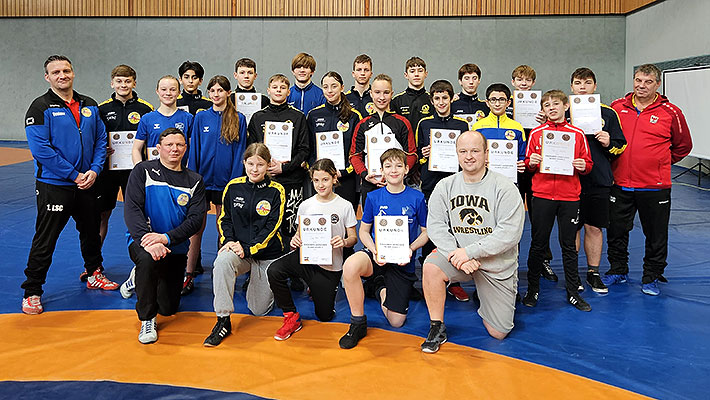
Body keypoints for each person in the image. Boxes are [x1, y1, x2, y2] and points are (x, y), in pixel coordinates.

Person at [22, 55, 117, 315]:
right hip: (55, 185)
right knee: (46, 238)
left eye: (66, 70)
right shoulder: (39, 108)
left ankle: (94, 272)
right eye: (56, 72)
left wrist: (95, 170)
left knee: (91, 231)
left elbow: (100, 139)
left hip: (88, 182)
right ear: (47, 77)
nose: (62, 75)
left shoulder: (89, 104)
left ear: (73, 73)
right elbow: (42, 150)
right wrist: (74, 175)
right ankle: (32, 290)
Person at [421, 130, 525, 353]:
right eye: (463, 151)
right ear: (457, 154)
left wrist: (470, 252)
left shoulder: (505, 188)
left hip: (494, 264)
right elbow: (436, 226)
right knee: (430, 267)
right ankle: (436, 326)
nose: (469, 156)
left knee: (499, 332)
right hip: (459, 257)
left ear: (487, 154)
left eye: (475, 151)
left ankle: (486, 294)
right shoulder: (445, 186)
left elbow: (509, 233)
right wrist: (457, 255)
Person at [604, 63, 692, 296]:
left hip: (655, 186)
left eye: (648, 82)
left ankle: (651, 276)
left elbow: (683, 146)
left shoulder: (671, 112)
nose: (641, 86)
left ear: (657, 84)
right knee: (616, 231)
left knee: (656, 233)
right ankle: (618, 269)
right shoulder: (616, 107)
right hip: (620, 182)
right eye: (638, 80)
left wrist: (659, 163)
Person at [339, 149, 428, 349]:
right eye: (388, 166)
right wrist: (374, 249)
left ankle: (380, 287)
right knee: (351, 265)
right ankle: (357, 323)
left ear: (406, 169)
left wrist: (410, 249)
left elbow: (426, 232)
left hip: (402, 260)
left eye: (398, 166)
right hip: (377, 255)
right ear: (381, 171)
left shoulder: (417, 197)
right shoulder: (373, 197)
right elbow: (363, 232)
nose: (393, 170)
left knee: (396, 321)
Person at [123, 128, 206, 343]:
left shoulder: (194, 180)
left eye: (179, 145)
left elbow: (195, 221)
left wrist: (165, 238)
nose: (174, 149)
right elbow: (132, 210)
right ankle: (147, 318)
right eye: (169, 145)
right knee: (148, 260)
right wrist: (148, 240)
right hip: (144, 242)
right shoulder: (143, 171)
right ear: (158, 148)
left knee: (169, 308)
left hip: (174, 247)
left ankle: (137, 278)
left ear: (185, 148)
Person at [203, 143, 285, 347]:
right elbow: (224, 219)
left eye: (260, 164)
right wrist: (229, 241)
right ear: (244, 163)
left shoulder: (277, 190)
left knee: (259, 310)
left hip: (266, 254)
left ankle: (270, 280)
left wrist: (249, 248)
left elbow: (272, 227)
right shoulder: (233, 187)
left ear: (268, 165)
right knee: (222, 262)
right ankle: (223, 320)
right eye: (250, 164)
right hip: (240, 252)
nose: (255, 169)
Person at [267, 159, 358, 340]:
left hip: (330, 267)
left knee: (324, 316)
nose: (320, 185)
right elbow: (299, 234)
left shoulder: (345, 205)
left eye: (325, 180)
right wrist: (295, 240)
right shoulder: (306, 205)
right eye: (316, 180)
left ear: (334, 178)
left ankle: (319, 290)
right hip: (306, 260)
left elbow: (353, 238)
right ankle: (291, 316)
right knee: (274, 270)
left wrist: (344, 242)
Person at [522, 90, 594, 312]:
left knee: (568, 246)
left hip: (569, 197)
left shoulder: (577, 133)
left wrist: (584, 166)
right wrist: (531, 162)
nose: (551, 108)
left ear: (565, 106)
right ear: (542, 110)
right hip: (542, 196)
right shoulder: (536, 133)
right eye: (546, 105)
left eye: (555, 104)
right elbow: (527, 163)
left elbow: (588, 163)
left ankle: (573, 292)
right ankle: (533, 289)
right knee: (538, 245)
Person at [183, 75, 248, 295]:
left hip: (226, 184)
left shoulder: (239, 118)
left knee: (224, 228)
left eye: (221, 90)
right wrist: (194, 179)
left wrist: (234, 182)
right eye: (213, 91)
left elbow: (240, 151)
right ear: (208, 93)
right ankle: (189, 273)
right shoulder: (200, 118)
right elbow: (195, 151)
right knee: (196, 227)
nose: (216, 94)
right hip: (202, 182)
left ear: (228, 93)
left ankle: (223, 273)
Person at [567, 68, 626, 293]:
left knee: (594, 227)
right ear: (571, 86)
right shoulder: (563, 111)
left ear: (595, 86)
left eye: (587, 83)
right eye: (578, 83)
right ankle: (572, 275)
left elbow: (620, 146)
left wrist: (608, 141)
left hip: (598, 179)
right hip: (570, 180)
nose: (582, 87)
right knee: (572, 229)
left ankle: (593, 273)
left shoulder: (608, 113)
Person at [94, 65, 153, 280]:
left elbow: (152, 138)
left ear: (134, 83)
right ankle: (95, 264)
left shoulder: (146, 108)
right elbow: (95, 137)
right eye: (119, 81)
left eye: (127, 81)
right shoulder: (102, 109)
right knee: (102, 215)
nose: (123, 85)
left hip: (135, 171)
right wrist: (103, 148)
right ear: (112, 83)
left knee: (139, 217)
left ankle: (142, 264)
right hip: (107, 172)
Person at [415, 80, 470, 302]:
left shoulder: (462, 126)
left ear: (451, 98)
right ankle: (431, 278)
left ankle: (454, 281)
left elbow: (467, 154)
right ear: (432, 100)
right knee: (431, 231)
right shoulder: (424, 124)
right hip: (431, 184)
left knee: (455, 232)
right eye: (436, 98)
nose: (440, 102)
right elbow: (417, 155)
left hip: (455, 185)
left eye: (444, 98)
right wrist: (425, 153)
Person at [507, 65, 557, 282]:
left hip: (537, 167)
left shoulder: (542, 107)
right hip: (514, 167)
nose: (523, 83)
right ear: (513, 82)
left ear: (533, 83)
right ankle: (511, 259)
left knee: (540, 217)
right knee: (512, 217)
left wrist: (544, 121)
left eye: (528, 80)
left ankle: (542, 260)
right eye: (519, 79)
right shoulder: (506, 106)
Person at [247, 74, 311, 243]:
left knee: (290, 225)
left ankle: (288, 262)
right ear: (268, 90)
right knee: (263, 220)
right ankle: (261, 261)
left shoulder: (298, 117)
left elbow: (304, 150)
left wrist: (284, 167)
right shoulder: (258, 117)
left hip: (292, 180)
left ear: (288, 92)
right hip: (265, 179)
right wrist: (264, 167)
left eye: (282, 88)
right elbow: (251, 149)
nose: (278, 90)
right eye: (275, 87)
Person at [349, 74, 417, 205]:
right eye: (377, 92)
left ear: (391, 94)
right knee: (369, 224)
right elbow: (355, 156)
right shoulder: (362, 124)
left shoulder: (402, 122)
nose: (381, 97)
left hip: (397, 184)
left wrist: (397, 174)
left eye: (386, 93)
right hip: (370, 185)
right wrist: (365, 175)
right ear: (371, 93)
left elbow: (412, 154)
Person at [306, 71, 363, 213]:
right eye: (325, 87)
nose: (330, 91)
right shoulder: (314, 115)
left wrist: (343, 172)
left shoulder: (354, 116)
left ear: (342, 87)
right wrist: (317, 172)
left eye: (334, 86)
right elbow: (308, 149)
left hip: (345, 178)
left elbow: (359, 150)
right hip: (320, 179)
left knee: (345, 223)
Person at [131, 75, 193, 167]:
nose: (168, 93)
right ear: (157, 91)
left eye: (172, 90)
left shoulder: (188, 118)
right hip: (154, 173)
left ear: (179, 93)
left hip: (180, 173)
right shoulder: (147, 119)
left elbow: (193, 149)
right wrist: (140, 171)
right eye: (164, 89)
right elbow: (136, 149)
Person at [391, 56, 433, 130]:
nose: (416, 74)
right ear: (406, 75)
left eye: (420, 71)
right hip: (405, 141)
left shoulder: (433, 99)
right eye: (412, 71)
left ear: (426, 74)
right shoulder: (397, 100)